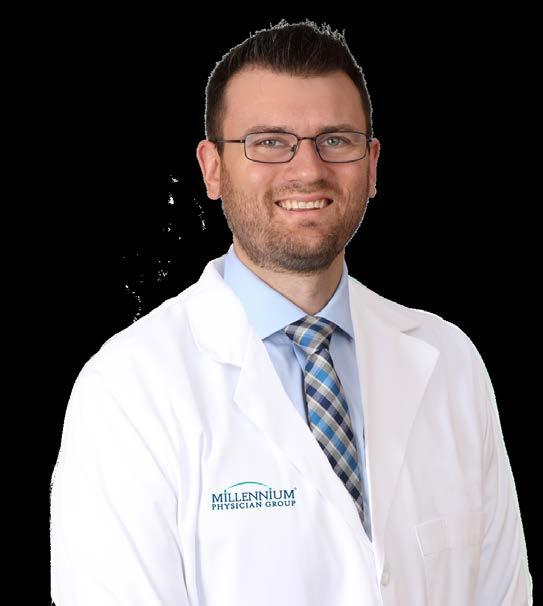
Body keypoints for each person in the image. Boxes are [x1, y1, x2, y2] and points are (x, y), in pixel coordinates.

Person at [50, 19, 533, 606]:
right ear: (212, 167)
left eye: (336, 140)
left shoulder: (450, 361)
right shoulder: (127, 390)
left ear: (372, 164)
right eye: (269, 142)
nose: (308, 170)